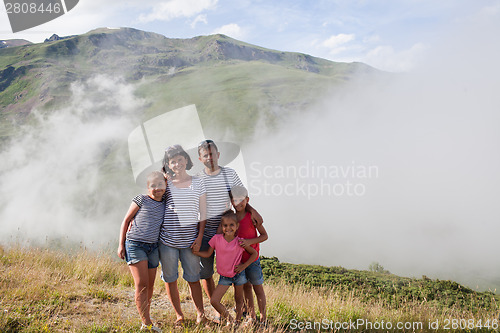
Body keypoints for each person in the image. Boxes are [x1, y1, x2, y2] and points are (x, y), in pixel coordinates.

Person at [196, 139, 263, 299]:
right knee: (206, 273)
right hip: (205, 232)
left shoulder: (230, 174)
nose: (209, 158)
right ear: (200, 159)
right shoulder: (197, 179)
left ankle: (242, 309)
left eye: (212, 154)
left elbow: (241, 197)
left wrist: (252, 210)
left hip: (229, 232)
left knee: (234, 270)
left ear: (218, 155)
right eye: (205, 155)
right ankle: (216, 308)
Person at [159, 145, 206, 326]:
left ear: (186, 160)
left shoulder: (198, 182)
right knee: (170, 279)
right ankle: (179, 315)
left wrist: (200, 237)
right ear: (168, 165)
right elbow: (152, 195)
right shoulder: (166, 184)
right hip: (168, 240)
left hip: (190, 241)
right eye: (173, 161)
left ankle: (201, 314)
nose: (177, 164)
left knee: (194, 278)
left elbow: (203, 212)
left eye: (180, 159)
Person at [117, 171, 166, 332]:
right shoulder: (141, 199)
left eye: (160, 185)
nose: (157, 189)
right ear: (147, 187)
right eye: (153, 186)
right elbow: (126, 220)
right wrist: (121, 244)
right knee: (141, 284)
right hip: (136, 244)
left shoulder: (165, 202)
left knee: (150, 286)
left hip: (153, 247)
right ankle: (146, 323)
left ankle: (146, 317)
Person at [193, 210, 258, 325]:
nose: (228, 228)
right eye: (225, 225)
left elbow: (254, 254)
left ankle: (237, 323)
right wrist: (196, 253)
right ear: (221, 227)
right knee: (214, 301)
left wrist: (244, 266)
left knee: (238, 301)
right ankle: (230, 319)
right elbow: (208, 254)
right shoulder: (216, 239)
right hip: (224, 278)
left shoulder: (240, 242)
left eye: (232, 225)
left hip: (239, 276)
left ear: (237, 226)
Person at [230, 185, 268, 324]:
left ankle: (263, 318)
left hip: (252, 260)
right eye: (235, 200)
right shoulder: (231, 219)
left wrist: (249, 242)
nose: (238, 203)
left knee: (257, 287)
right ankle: (252, 316)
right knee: (246, 287)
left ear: (247, 200)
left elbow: (264, 236)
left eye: (241, 200)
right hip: (238, 262)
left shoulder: (251, 217)